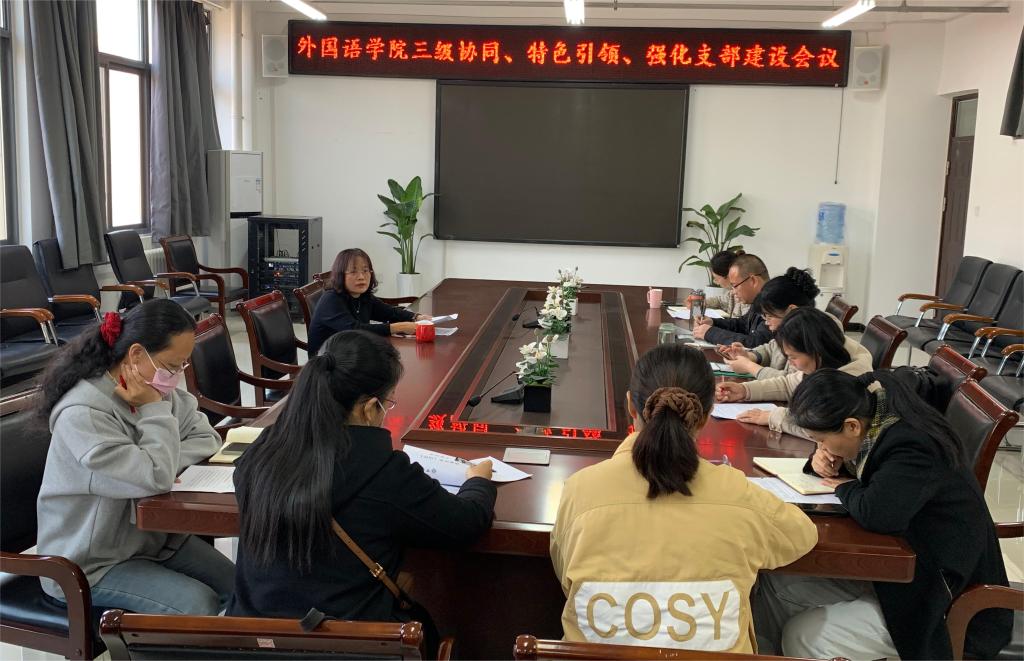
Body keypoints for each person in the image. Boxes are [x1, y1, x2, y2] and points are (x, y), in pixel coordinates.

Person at [229, 330, 497, 649]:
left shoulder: (261, 452)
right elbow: (466, 523)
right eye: (388, 402)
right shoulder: (384, 471)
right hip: (350, 647)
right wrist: (478, 481)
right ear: (368, 408)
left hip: (252, 643)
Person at [550, 343, 817, 654]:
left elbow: (565, 576)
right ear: (706, 415)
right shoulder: (738, 493)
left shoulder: (581, 489)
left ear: (631, 406)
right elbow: (802, 535)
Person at [755, 369, 1012, 661]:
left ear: (852, 426)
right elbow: (877, 478)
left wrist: (845, 486)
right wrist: (822, 461)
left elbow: (878, 513)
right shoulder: (875, 416)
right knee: (777, 584)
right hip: (905, 573)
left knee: (804, 636)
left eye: (822, 440)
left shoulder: (912, 444)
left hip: (943, 598)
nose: (822, 447)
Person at [34, 299, 233, 615]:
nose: (176, 377)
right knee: (197, 605)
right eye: (172, 366)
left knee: (241, 586)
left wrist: (160, 461)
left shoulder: (154, 388)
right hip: (89, 563)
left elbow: (206, 438)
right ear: (136, 354)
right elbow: (155, 477)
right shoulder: (83, 413)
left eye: (183, 365)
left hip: (151, 541)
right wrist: (154, 416)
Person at [715, 307, 872, 438]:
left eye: (793, 357)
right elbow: (790, 383)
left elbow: (824, 429)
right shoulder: (827, 360)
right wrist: (744, 390)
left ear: (816, 351)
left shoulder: (848, 384)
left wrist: (774, 417)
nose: (790, 363)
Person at [307, 248, 431, 354]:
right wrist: (399, 327)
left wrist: (416, 317)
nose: (361, 277)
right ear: (340, 275)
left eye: (365, 271)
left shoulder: (363, 296)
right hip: (327, 363)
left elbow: (388, 312)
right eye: (353, 272)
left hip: (352, 352)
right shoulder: (331, 299)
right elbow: (354, 330)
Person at [718, 267, 821, 379]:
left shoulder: (812, 335)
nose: (766, 322)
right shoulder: (790, 329)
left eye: (769, 316)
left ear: (791, 310)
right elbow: (770, 348)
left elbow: (792, 381)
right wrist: (748, 355)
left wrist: (748, 366)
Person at [694, 253, 772, 347]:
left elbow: (755, 343)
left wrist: (710, 333)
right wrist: (713, 322)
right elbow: (742, 324)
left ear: (753, 281)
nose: (733, 292)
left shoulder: (774, 302)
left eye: (735, 286)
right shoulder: (759, 299)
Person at [703, 249, 751, 318]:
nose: (715, 282)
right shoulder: (732, 293)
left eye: (716, 278)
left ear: (729, 275)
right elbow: (719, 301)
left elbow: (743, 323)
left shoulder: (746, 296)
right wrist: (700, 302)